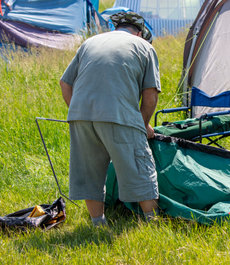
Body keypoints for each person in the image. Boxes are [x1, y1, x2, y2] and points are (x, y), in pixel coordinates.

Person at [59, 12, 161, 226]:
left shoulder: (89, 42)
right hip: (119, 117)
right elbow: (150, 96)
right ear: (140, 33)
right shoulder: (144, 47)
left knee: (90, 172)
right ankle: (152, 223)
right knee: (140, 167)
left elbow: (65, 83)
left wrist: (80, 111)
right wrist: (141, 125)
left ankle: (98, 223)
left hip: (80, 116)